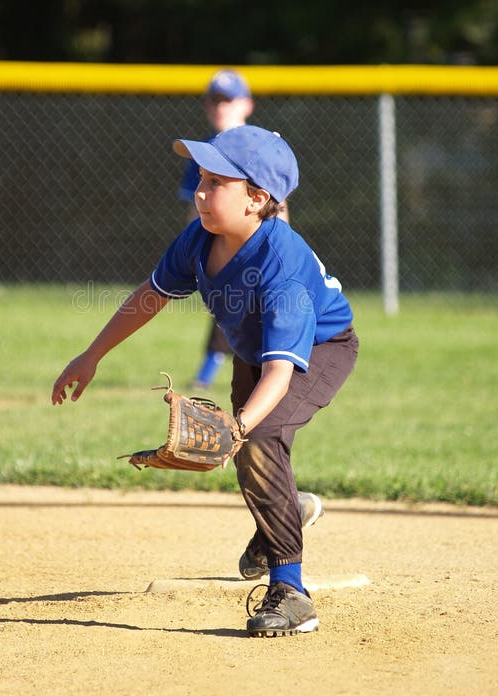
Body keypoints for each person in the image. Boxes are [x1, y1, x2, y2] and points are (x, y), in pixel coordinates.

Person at [52, 124, 359, 638]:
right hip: (252, 350)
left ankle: (292, 593)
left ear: (257, 199)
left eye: (217, 182)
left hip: (321, 349)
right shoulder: (200, 237)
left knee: (257, 436)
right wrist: (92, 354)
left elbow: (281, 372)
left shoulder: (281, 269)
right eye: (202, 176)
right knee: (254, 446)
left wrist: (239, 427)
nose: (199, 189)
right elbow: (150, 296)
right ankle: (282, 513)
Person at [179, 69, 288, 392]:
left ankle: (224, 371)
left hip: (259, 243)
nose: (218, 107)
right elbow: (194, 206)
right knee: (233, 307)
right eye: (213, 100)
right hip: (222, 245)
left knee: (261, 310)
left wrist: (282, 246)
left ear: (247, 104)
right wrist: (193, 255)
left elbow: (279, 203)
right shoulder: (201, 151)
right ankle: (222, 371)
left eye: (226, 100)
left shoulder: (262, 147)